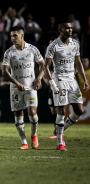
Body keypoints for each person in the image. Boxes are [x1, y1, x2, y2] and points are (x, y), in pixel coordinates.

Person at [44, 20, 89, 151]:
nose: (70, 30)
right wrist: (52, 83)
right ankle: (60, 143)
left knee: (79, 111)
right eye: (67, 28)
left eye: (70, 28)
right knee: (62, 110)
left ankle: (61, 128)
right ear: (60, 30)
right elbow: (46, 67)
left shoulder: (75, 43)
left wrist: (84, 79)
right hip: (59, 79)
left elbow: (78, 62)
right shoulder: (53, 46)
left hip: (72, 80)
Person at [2, 26, 44, 150]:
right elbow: (5, 71)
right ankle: (24, 142)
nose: (12, 38)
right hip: (16, 87)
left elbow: (42, 65)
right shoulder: (9, 52)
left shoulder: (32, 49)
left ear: (22, 36)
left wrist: (39, 78)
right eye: (11, 36)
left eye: (15, 35)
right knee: (18, 114)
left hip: (31, 86)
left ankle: (34, 136)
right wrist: (16, 83)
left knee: (32, 112)